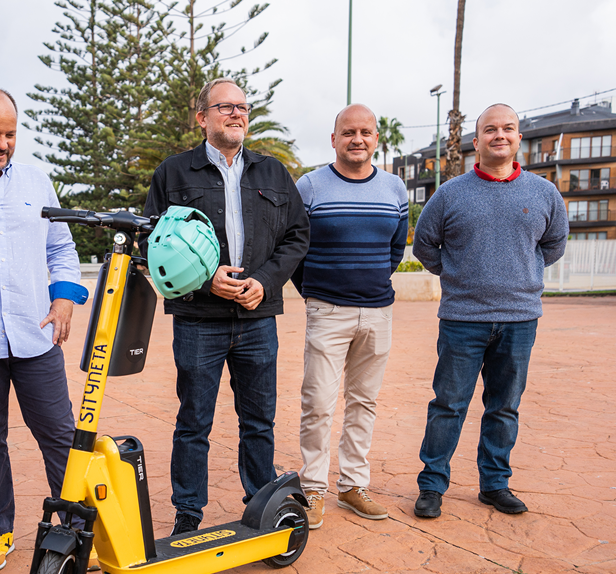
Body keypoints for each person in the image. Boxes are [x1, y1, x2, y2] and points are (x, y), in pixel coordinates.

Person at [142, 77, 309, 535]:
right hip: (199, 321)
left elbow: (298, 235)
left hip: (258, 319)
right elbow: (152, 243)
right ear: (202, 118)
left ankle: (262, 505)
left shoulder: (272, 173)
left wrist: (267, 281)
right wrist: (202, 280)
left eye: (242, 107)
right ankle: (187, 515)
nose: (236, 114)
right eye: (225, 107)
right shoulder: (173, 174)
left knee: (259, 420)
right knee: (194, 421)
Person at [0, 86, 87, 572]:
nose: (2, 143)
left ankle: (74, 527)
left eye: (10, 134)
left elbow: (61, 249)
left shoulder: (36, 182)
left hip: (36, 335)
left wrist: (65, 297)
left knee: (58, 434)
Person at [412, 103, 568, 518]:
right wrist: (459, 275)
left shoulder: (544, 193)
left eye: (509, 129)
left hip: (519, 319)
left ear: (519, 139)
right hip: (463, 319)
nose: (500, 135)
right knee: (448, 404)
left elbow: (554, 244)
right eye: (491, 129)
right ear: (476, 141)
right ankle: (432, 486)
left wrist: (523, 273)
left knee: (504, 406)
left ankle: (495, 484)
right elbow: (424, 245)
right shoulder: (450, 194)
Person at [290, 104, 408, 529]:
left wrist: (369, 283)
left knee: (364, 402)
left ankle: (353, 485)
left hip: (378, 311)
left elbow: (395, 248)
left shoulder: (395, 188)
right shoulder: (310, 186)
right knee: (318, 403)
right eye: (349, 132)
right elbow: (295, 247)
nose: (358, 139)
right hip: (327, 310)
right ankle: (313, 489)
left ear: (376, 138)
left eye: (366, 132)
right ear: (334, 139)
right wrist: (317, 294)